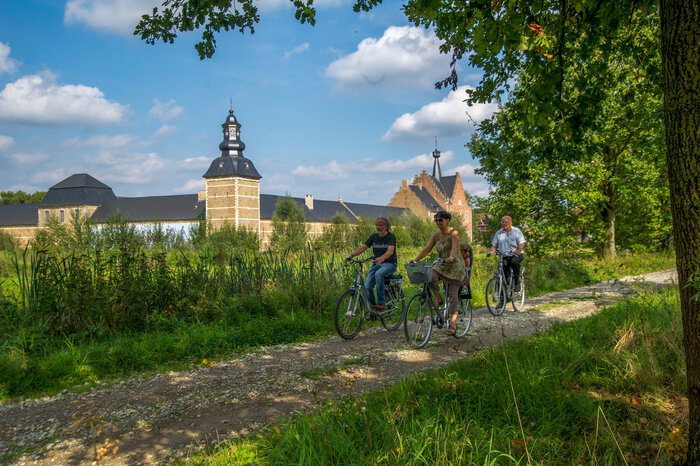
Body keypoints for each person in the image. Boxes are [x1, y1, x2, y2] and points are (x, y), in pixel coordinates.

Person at [412, 211, 466, 336]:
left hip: (455, 267)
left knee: (453, 296)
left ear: (447, 220)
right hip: (441, 265)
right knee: (429, 276)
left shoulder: (454, 232)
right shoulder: (435, 235)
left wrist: (451, 257)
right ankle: (438, 298)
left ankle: (452, 324)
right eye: (436, 220)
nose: (438, 222)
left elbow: (454, 247)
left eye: (440, 220)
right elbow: (427, 248)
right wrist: (416, 259)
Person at [346, 217, 397, 311]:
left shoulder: (391, 237)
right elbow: (363, 247)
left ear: (386, 226)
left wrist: (382, 258)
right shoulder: (373, 237)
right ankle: (373, 309)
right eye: (377, 225)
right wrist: (351, 255)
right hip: (377, 264)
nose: (378, 227)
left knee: (379, 274)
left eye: (381, 225)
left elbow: (390, 251)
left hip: (390, 264)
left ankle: (381, 303)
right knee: (367, 286)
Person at [488, 216, 526, 293]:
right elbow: (494, 245)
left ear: (510, 223)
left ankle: (516, 282)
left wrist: (518, 250)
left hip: (516, 254)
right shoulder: (499, 233)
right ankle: (503, 297)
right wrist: (491, 252)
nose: (504, 224)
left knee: (514, 262)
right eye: (503, 222)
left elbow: (522, 243)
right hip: (505, 255)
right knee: (502, 272)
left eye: (506, 222)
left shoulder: (516, 231)